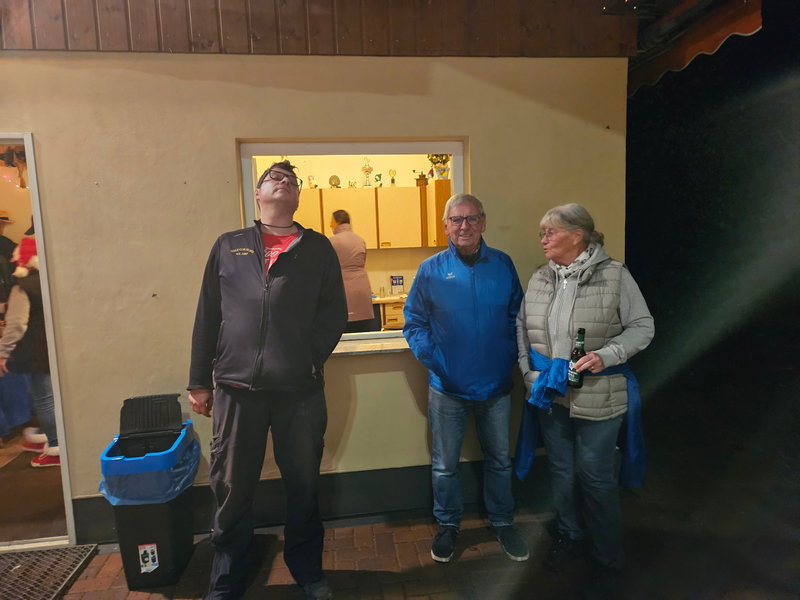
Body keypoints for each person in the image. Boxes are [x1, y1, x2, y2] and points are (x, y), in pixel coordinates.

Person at [188, 160, 347, 600]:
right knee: (231, 488)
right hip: (237, 390)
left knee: (304, 485)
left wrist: (308, 359)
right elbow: (208, 314)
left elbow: (334, 314)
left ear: (297, 197)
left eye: (291, 180)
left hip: (300, 391)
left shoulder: (317, 248)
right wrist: (199, 380)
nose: (283, 182)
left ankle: (307, 570)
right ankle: (226, 579)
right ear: (257, 194)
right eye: (273, 178)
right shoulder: (230, 245)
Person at [515, 203, 654, 600]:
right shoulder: (540, 278)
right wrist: (528, 374)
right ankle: (571, 534)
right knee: (561, 469)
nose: (543, 239)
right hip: (551, 394)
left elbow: (642, 326)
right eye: (542, 232)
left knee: (595, 475)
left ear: (578, 235)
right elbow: (521, 330)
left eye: (550, 232)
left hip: (599, 394)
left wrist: (608, 355)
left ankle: (608, 558)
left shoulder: (615, 276)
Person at [403, 193, 529, 563]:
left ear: (483, 222)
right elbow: (414, 322)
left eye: (472, 218)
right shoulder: (431, 270)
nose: (464, 226)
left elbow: (518, 317)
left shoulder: (502, 264)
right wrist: (435, 360)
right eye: (456, 219)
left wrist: (508, 356)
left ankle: (503, 521)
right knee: (445, 466)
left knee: (499, 461)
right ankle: (448, 525)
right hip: (448, 388)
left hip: (496, 386)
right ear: (446, 226)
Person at [0, 236, 60, 467]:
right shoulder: (48, 282)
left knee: (43, 399)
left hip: (34, 351)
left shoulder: (22, 288)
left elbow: (16, 326)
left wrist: (3, 353)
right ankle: (49, 437)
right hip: (51, 347)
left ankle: (55, 445)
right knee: (49, 396)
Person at [328, 210, 377, 333]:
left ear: (337, 222)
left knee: (345, 336)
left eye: (332, 222)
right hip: (363, 290)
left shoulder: (332, 242)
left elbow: (326, 268)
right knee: (363, 335)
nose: (330, 225)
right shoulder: (360, 240)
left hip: (343, 291)